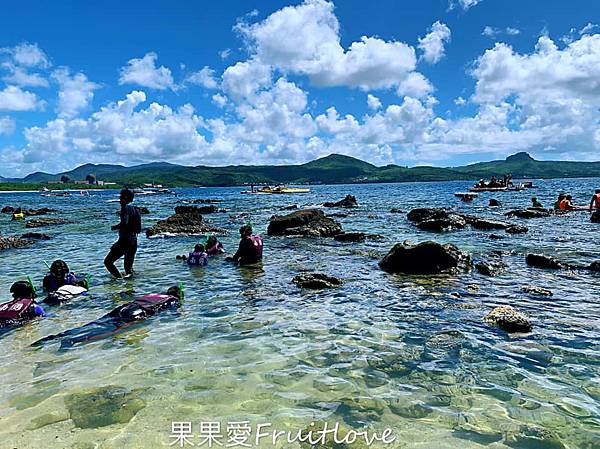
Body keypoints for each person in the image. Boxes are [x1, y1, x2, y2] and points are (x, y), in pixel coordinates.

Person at [32, 286, 182, 348]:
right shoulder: (173, 299)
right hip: (137, 312)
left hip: (125, 306)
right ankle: (73, 341)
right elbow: (173, 314)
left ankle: (51, 338)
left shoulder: (153, 294)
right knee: (112, 330)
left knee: (95, 323)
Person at [104, 189, 141, 278]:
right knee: (128, 269)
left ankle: (119, 281)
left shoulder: (125, 208)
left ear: (125, 198)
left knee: (108, 262)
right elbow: (139, 229)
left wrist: (115, 227)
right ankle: (130, 288)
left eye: (120, 198)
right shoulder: (136, 210)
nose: (119, 201)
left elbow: (125, 222)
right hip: (134, 240)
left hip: (125, 241)